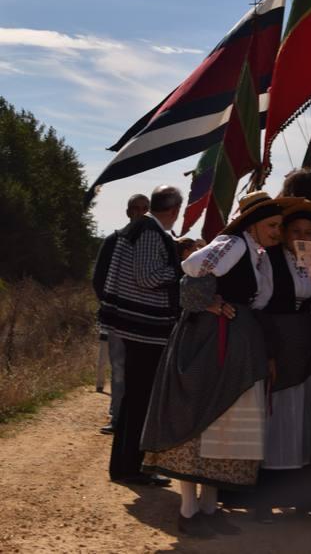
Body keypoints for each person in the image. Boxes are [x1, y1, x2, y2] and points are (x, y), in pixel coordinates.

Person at [141, 191, 291, 539]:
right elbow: (191, 269)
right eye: (272, 225)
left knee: (223, 424)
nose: (277, 232)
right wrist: (207, 303)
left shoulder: (255, 253)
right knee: (203, 418)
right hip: (210, 341)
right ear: (253, 223)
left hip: (237, 340)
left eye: (279, 226)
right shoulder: (235, 244)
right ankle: (188, 511)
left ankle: (209, 509)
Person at [229, 199, 311, 522]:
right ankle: (263, 497)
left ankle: (304, 496)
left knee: (302, 419)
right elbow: (260, 306)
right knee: (273, 416)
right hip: (274, 336)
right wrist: (268, 349)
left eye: (308, 232)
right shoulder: (266, 258)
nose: (301, 236)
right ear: (283, 232)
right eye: (294, 230)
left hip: (305, 341)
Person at [100, 185, 183, 485]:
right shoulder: (150, 231)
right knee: (139, 401)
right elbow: (147, 276)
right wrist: (180, 269)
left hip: (138, 327)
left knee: (135, 400)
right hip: (144, 330)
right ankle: (130, 468)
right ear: (174, 210)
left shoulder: (144, 228)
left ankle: (126, 466)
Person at [92, 193, 150, 434]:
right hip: (119, 321)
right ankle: (117, 418)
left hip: (148, 322)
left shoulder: (158, 241)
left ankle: (140, 423)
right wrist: (111, 308)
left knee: (145, 373)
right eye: (136, 209)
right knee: (119, 371)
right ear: (128, 212)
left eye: (145, 209)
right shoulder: (114, 241)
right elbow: (99, 279)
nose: (140, 213)